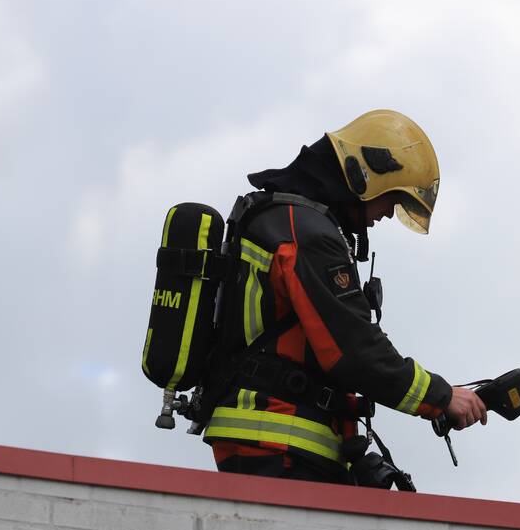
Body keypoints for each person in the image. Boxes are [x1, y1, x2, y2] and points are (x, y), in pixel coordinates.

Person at [202, 109, 487, 483]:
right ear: (363, 175)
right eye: (391, 198)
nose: (388, 214)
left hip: (275, 438)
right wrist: (441, 396)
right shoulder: (307, 232)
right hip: (278, 439)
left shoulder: (283, 219)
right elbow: (354, 350)